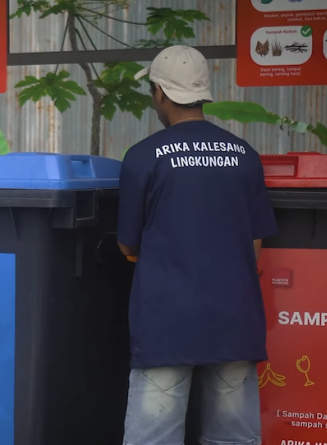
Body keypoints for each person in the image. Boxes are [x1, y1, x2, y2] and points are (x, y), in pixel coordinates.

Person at [117, 45, 278, 445]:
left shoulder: (142, 157)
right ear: (202, 93)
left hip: (167, 327)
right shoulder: (245, 156)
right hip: (234, 323)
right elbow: (255, 241)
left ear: (160, 93)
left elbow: (128, 247)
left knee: (155, 438)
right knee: (233, 438)